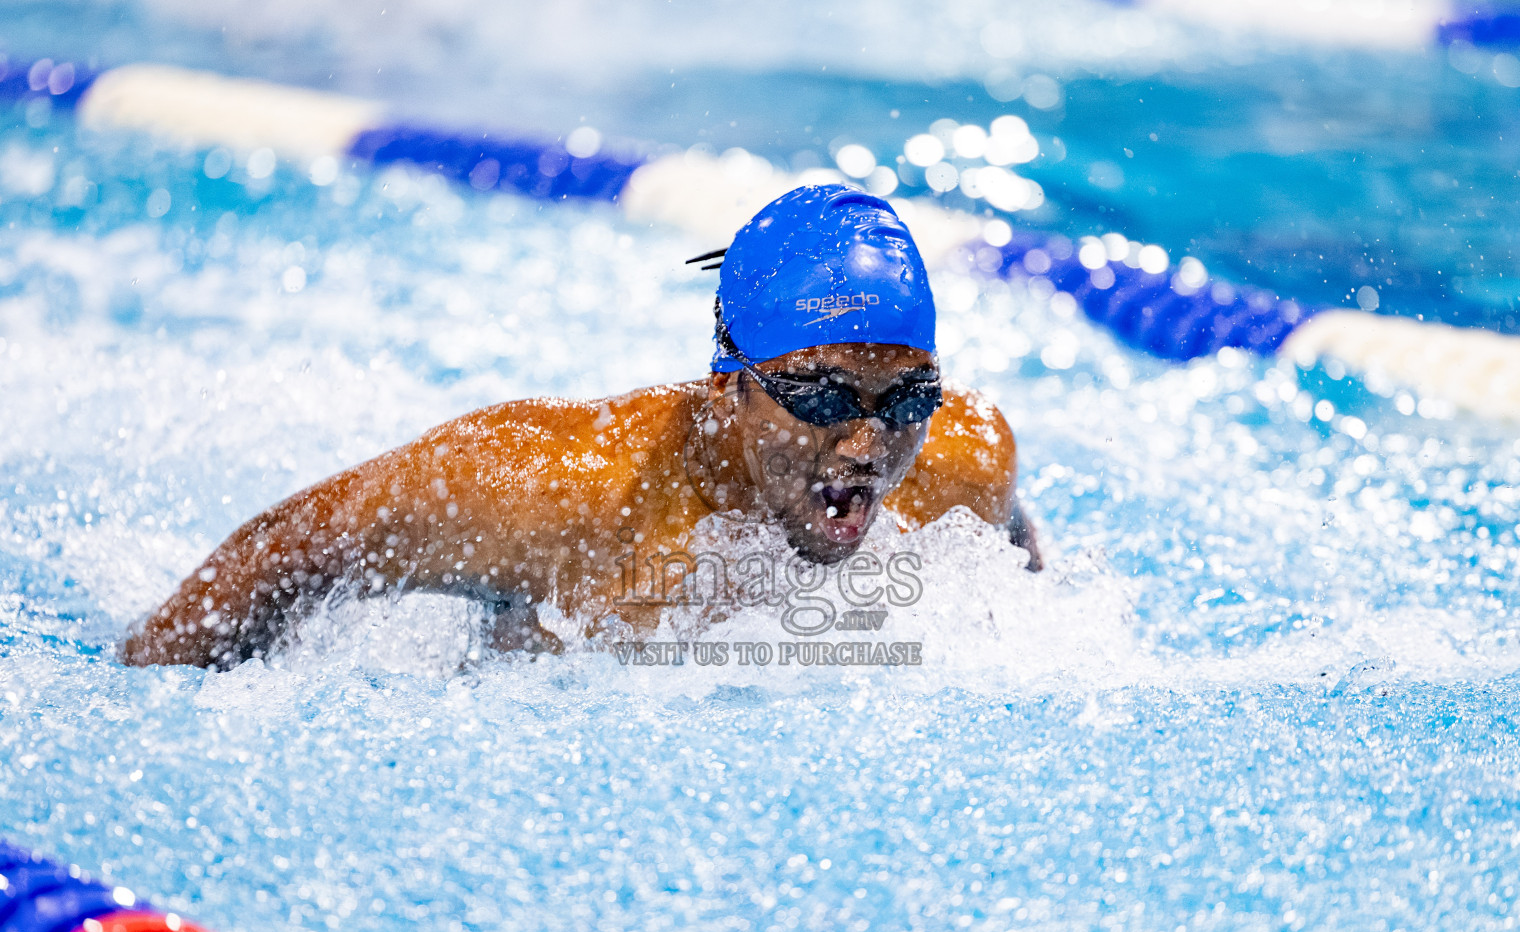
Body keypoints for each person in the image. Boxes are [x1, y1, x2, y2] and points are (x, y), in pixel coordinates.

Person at [121, 185, 1041, 669]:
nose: (870, 446)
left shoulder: (964, 456)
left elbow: (1017, 578)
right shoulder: (543, 484)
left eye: (908, 399)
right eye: (824, 396)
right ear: (728, 387)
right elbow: (286, 554)